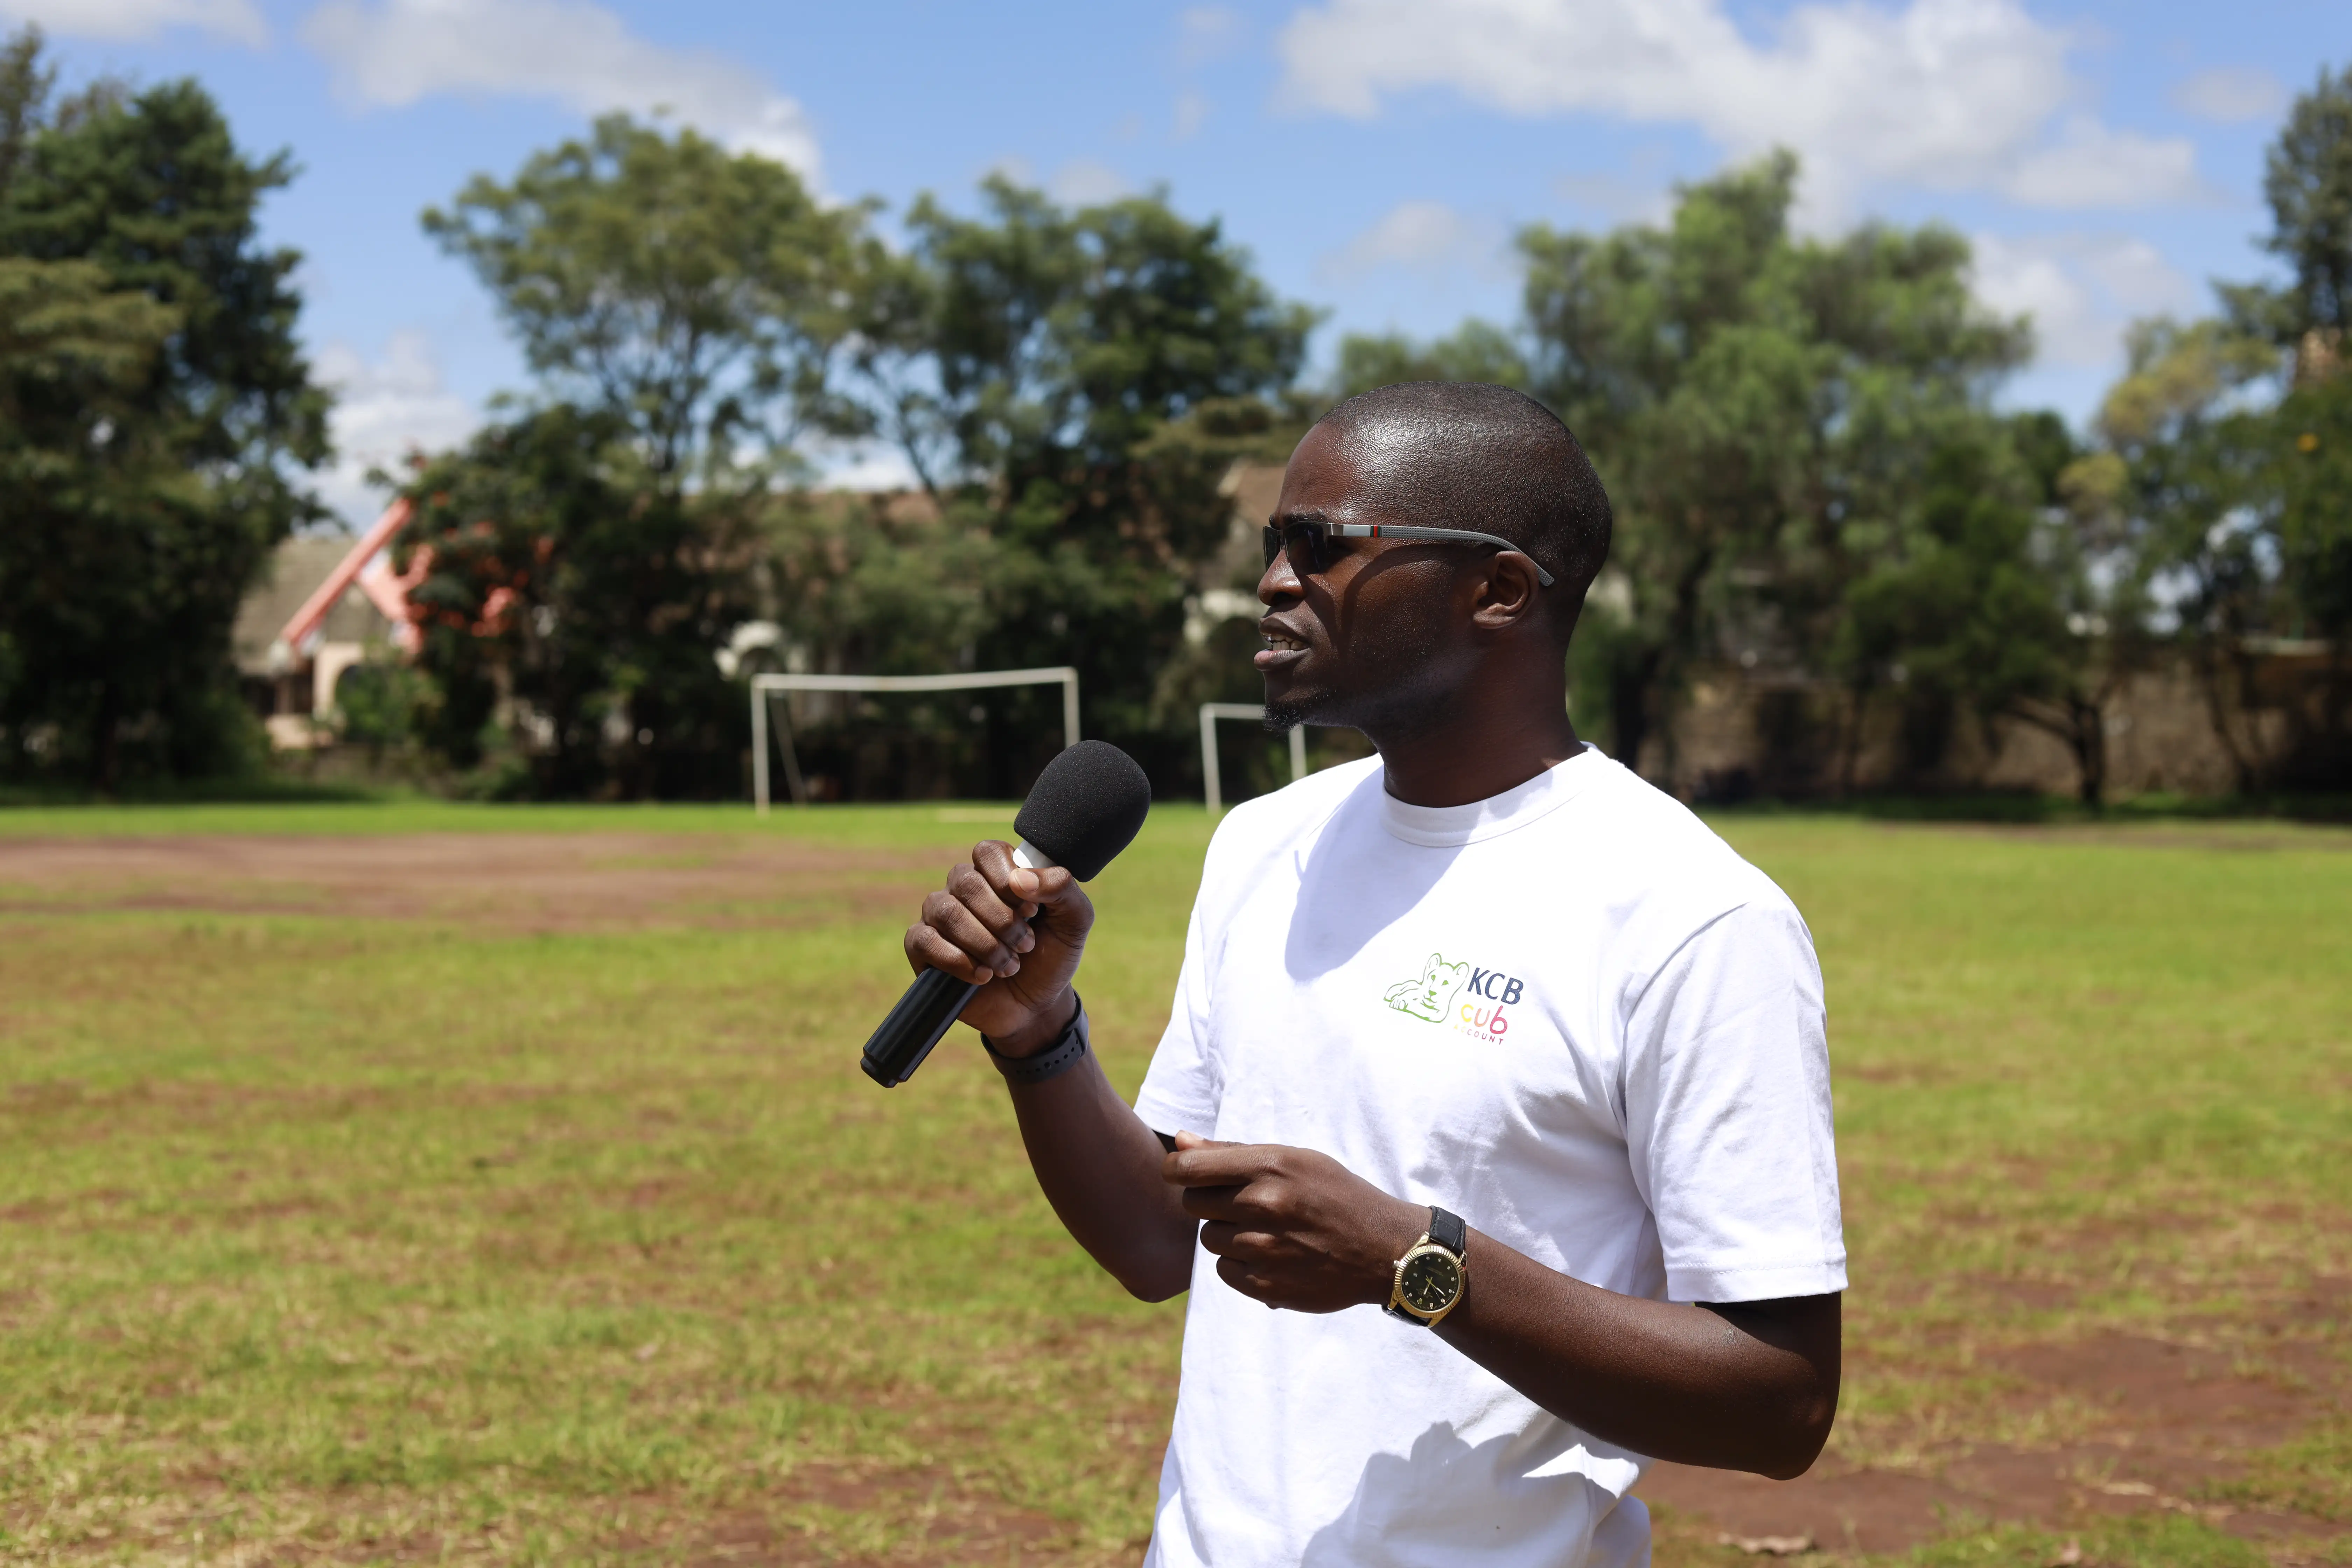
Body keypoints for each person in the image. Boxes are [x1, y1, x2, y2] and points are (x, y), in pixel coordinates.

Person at [904, 382, 1845, 1567]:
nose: (1273, 581)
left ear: (1499, 591)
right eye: (1271, 543)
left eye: (1322, 545)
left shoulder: (1694, 917)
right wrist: (1039, 1033)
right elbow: (1158, 1241)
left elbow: (1780, 1403)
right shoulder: (1266, 845)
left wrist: (1415, 1263)